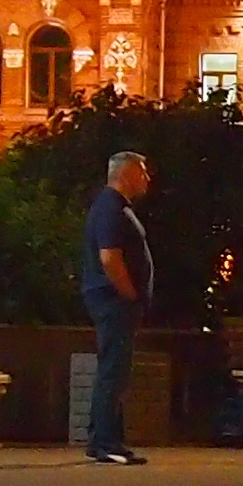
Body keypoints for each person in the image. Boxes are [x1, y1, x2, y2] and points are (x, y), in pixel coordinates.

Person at [79, 149, 155, 464]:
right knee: (114, 369)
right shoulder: (111, 208)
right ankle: (105, 441)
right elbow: (109, 256)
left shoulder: (114, 207)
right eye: (143, 172)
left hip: (112, 298)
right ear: (126, 173)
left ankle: (106, 438)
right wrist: (128, 293)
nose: (147, 178)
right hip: (113, 300)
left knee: (114, 368)